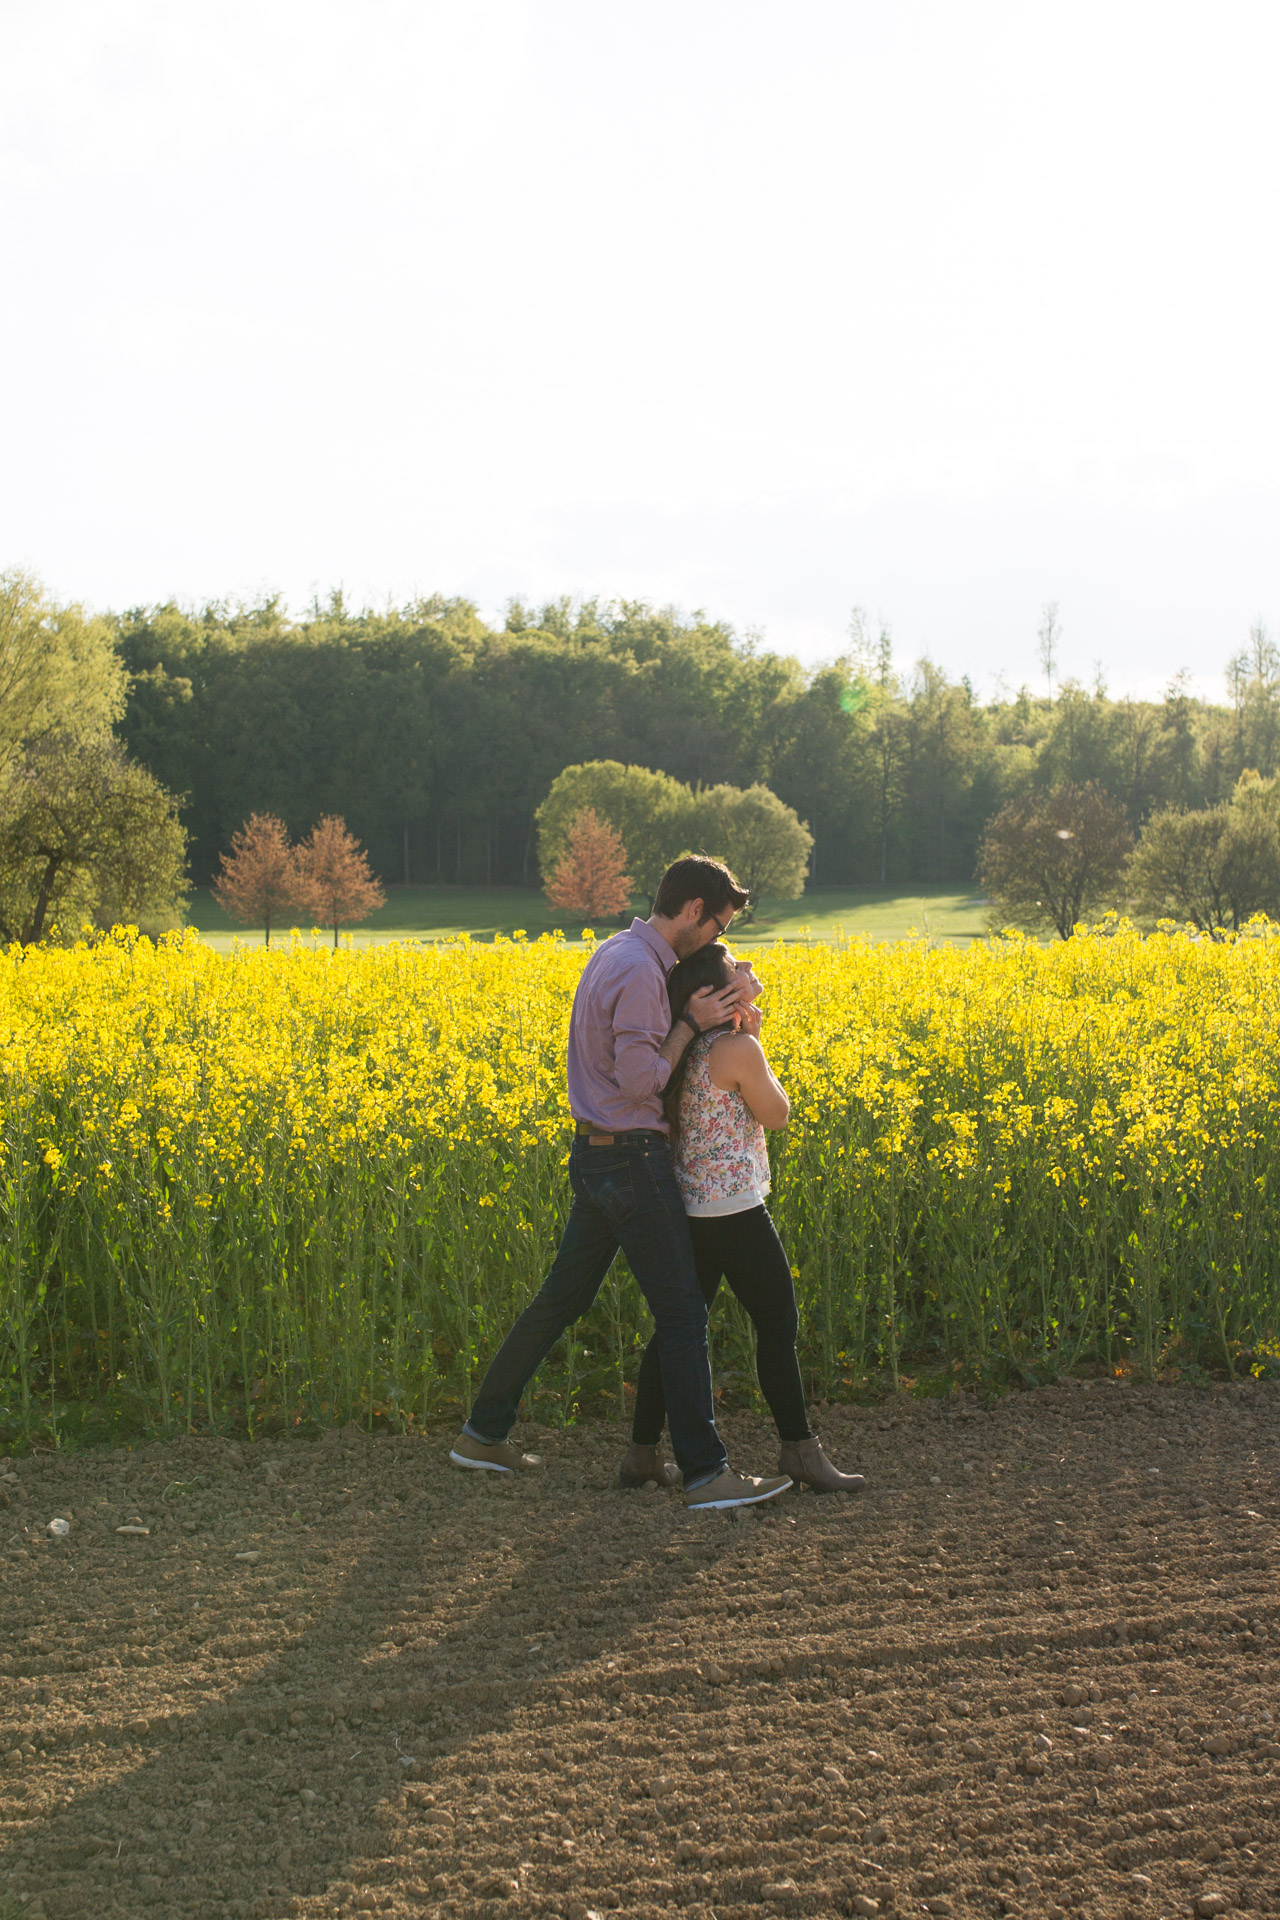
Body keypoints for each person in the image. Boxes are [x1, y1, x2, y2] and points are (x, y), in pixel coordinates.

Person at [449, 855, 794, 1512]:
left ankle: (482, 1433)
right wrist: (691, 1025)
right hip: (633, 1158)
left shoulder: (615, 952)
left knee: (560, 1299)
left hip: (595, 1153)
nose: (716, 939)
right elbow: (641, 1083)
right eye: (717, 926)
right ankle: (706, 1473)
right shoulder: (640, 971)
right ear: (693, 910)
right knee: (683, 1311)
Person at [629, 940, 865, 1493]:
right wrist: (757, 1044)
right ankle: (800, 1451)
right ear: (720, 992)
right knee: (777, 1323)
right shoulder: (736, 1048)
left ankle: (641, 1454)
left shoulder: (681, 1047)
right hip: (734, 1210)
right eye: (738, 969)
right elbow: (777, 1114)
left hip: (690, 1208)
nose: (749, 971)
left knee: (677, 1329)